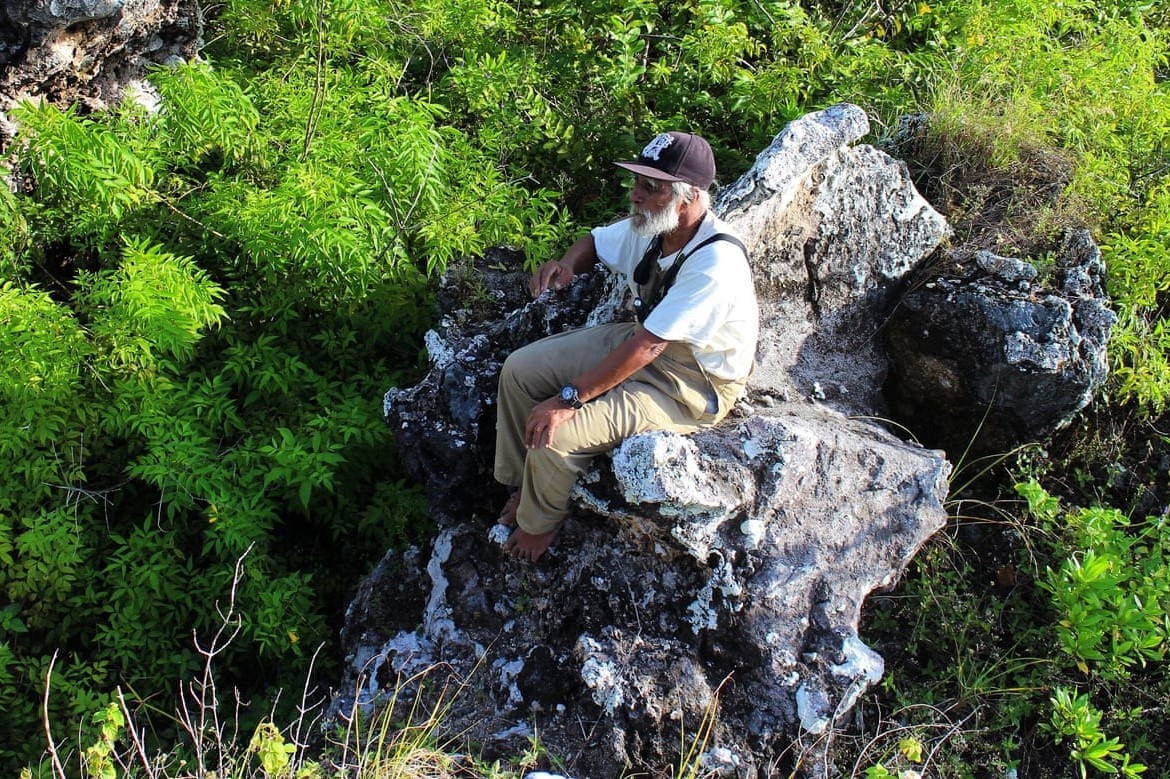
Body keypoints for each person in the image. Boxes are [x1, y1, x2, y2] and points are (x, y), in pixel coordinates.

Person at [494, 131, 759, 561]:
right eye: (637, 182)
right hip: (645, 341)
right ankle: (521, 481)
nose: (636, 194)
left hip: (690, 385)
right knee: (519, 371)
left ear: (689, 197)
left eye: (651, 187)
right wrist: (566, 265)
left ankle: (537, 525)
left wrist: (568, 399)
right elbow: (595, 241)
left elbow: (649, 348)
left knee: (557, 435)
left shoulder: (716, 262)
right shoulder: (656, 228)